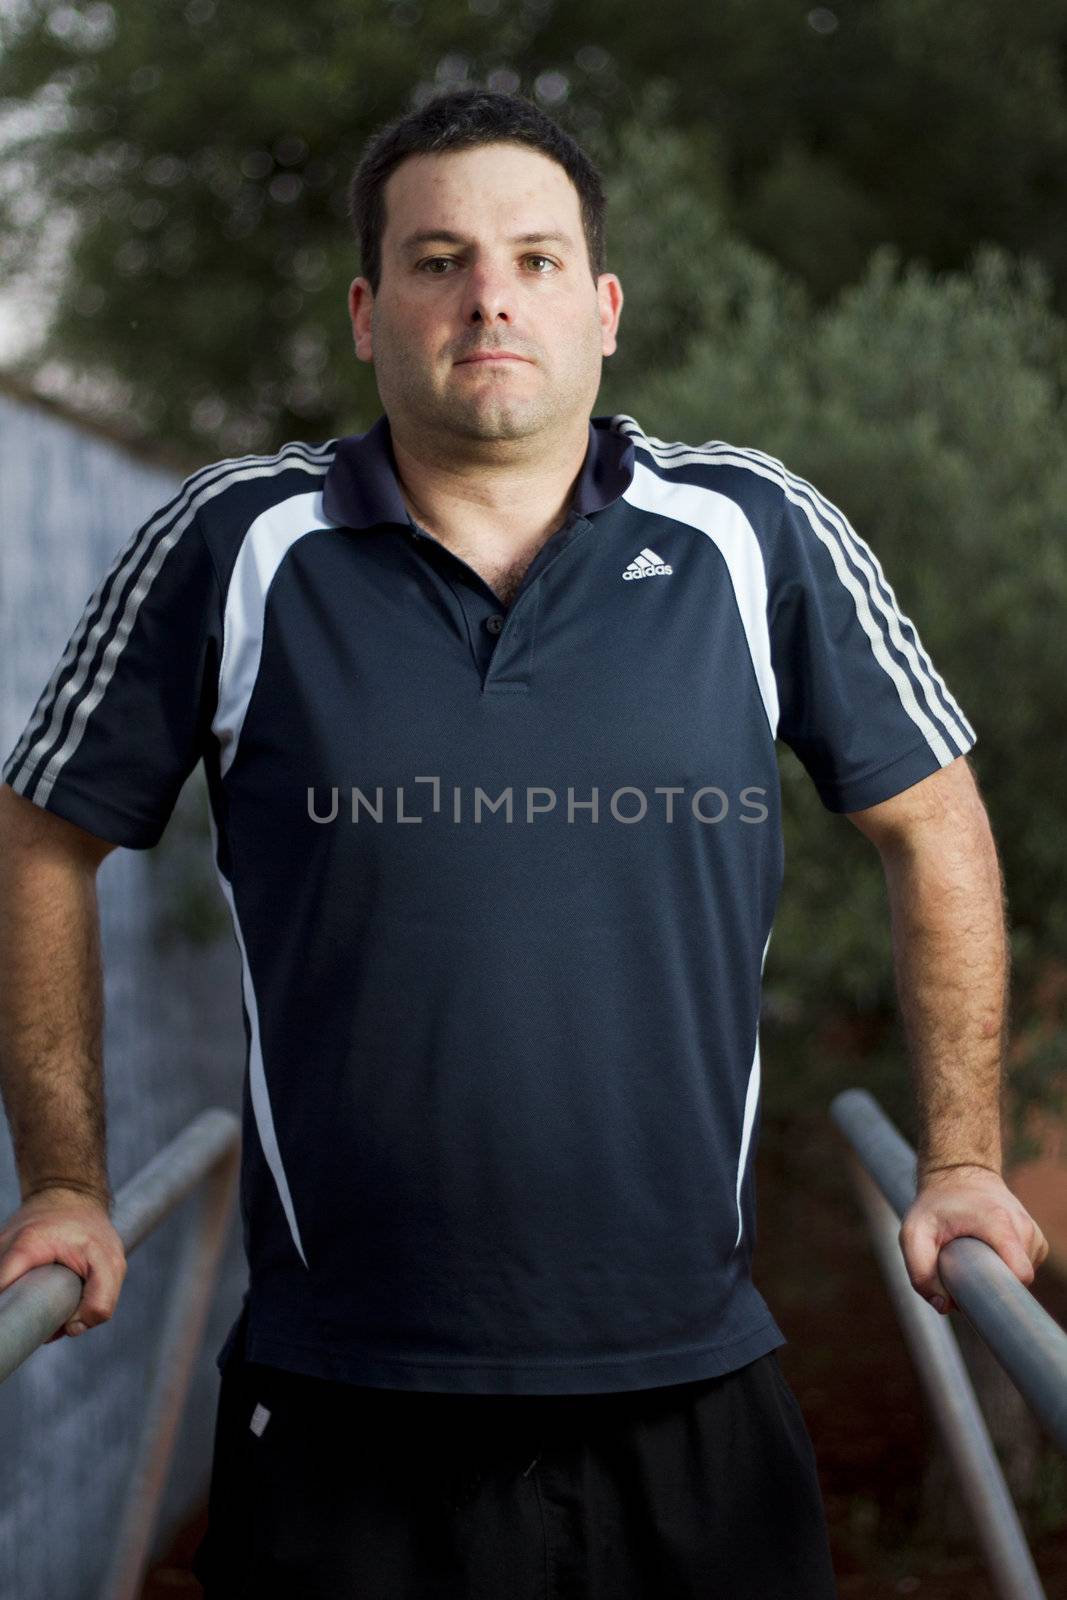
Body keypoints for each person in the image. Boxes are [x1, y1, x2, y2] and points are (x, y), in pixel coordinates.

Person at [0, 84, 1049, 1599]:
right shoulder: (232, 544)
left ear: (603, 307)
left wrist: (959, 1158)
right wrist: (61, 1181)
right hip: (344, 1411)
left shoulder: (756, 535)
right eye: (438, 260)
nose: (490, 295)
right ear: (368, 311)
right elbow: (40, 835)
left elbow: (935, 815)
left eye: (536, 259)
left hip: (690, 1393)